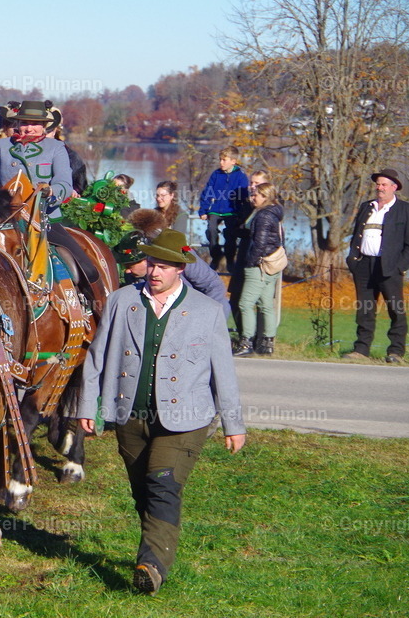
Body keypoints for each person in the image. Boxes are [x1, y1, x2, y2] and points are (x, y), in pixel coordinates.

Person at [75, 228, 246, 596]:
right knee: (144, 493)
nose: (155, 272)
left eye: (165, 266)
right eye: (152, 263)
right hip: (130, 417)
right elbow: (97, 357)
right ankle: (154, 550)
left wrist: (234, 424)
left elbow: (223, 372)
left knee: (163, 485)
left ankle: (151, 566)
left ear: (180, 269)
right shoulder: (122, 301)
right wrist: (89, 406)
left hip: (186, 420)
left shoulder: (208, 311)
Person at [0, 100, 100, 291]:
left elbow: (64, 184)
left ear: (43, 126)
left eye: (35, 124)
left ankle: (89, 309)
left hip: (45, 218)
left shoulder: (56, 148)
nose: (29, 128)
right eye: (25, 123)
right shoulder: (0, 146)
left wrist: (51, 191)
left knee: (87, 269)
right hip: (5, 219)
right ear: (17, 124)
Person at [344, 168, 409, 363]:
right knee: (365, 309)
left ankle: (396, 352)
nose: (379, 187)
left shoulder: (407, 210)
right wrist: (353, 259)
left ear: (394, 187)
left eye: (384, 184)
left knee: (395, 309)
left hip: (389, 267)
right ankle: (361, 350)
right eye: (378, 184)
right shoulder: (367, 206)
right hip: (364, 265)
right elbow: (356, 234)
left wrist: (401, 266)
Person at [126, 208, 231, 317]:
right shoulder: (132, 276)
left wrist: (207, 320)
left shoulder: (180, 255)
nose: (127, 270)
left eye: (130, 265)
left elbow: (213, 285)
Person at [232, 182, 284, 356]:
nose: (252, 198)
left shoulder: (263, 216)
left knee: (245, 304)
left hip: (259, 266)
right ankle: (267, 343)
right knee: (266, 305)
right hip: (271, 265)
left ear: (265, 197)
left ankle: (246, 342)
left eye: (256, 195)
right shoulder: (274, 213)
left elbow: (260, 243)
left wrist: (251, 262)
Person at [229, 169, 272, 337]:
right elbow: (239, 228)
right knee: (236, 296)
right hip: (244, 254)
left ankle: (257, 339)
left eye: (257, 183)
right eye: (251, 183)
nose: (252, 187)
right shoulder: (247, 204)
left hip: (258, 260)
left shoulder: (269, 210)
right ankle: (244, 335)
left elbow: (260, 236)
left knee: (259, 302)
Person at [199, 146, 249, 272]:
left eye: (224, 160)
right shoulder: (216, 174)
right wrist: (203, 210)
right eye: (220, 160)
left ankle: (230, 259)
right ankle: (216, 256)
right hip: (215, 208)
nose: (221, 163)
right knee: (211, 230)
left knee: (230, 234)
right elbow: (207, 192)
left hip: (232, 210)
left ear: (233, 161)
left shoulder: (241, 176)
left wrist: (242, 214)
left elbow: (244, 196)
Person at [45, 103, 86, 197]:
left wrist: (71, 191)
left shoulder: (71, 156)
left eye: (48, 131)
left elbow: (81, 187)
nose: (43, 135)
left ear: (56, 130)